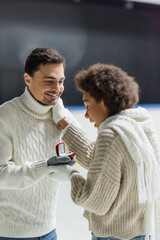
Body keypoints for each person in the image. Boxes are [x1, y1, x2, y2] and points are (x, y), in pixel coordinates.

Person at [51, 63, 160, 240]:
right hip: (139, 233)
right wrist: (64, 123)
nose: (86, 115)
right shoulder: (138, 127)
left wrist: (71, 174)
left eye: (87, 105)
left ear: (104, 100)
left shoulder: (112, 135)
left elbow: (95, 202)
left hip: (113, 236)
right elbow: (100, 161)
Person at [0, 47, 79, 239]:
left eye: (61, 82)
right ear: (27, 79)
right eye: (49, 81)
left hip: (49, 231)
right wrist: (46, 166)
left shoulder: (61, 116)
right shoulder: (5, 116)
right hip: (11, 234)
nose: (57, 88)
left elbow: (85, 156)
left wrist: (64, 120)